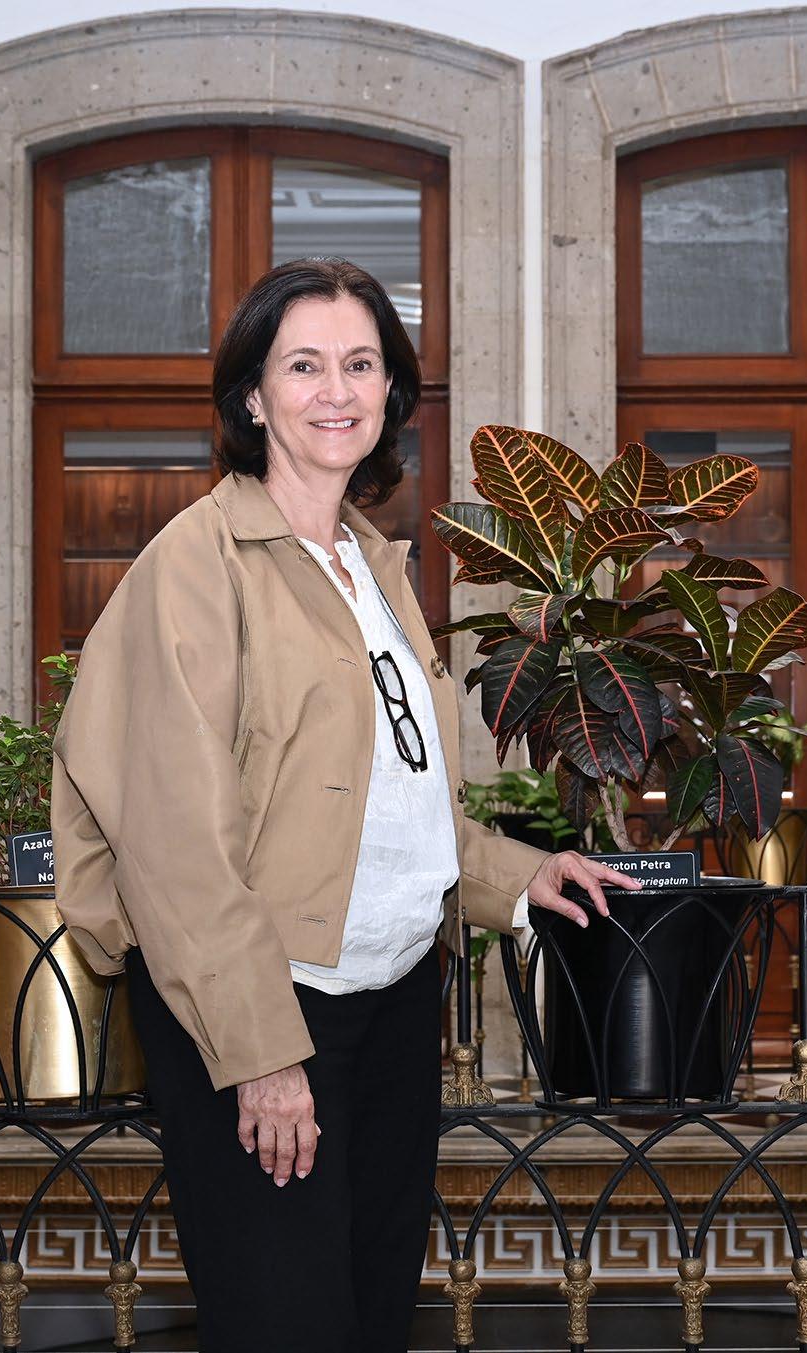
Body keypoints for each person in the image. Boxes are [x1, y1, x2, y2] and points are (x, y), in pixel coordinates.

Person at [51, 257, 638, 1352]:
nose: (338, 391)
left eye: (361, 365)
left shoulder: (372, 566)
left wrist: (521, 877)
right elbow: (175, 850)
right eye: (305, 365)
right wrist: (261, 1053)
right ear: (252, 397)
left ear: (391, 392)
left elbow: (387, 800)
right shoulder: (195, 565)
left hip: (392, 1003)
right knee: (287, 1327)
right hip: (262, 1012)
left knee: (371, 1321)